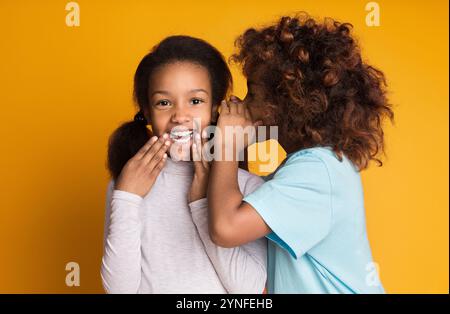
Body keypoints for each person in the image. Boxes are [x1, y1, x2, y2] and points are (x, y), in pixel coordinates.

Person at [208, 14, 394, 293]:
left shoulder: (318, 171)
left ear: (289, 103)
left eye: (253, 94)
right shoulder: (305, 169)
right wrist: (235, 148)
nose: (244, 104)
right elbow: (235, 197)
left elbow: (226, 227)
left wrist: (226, 144)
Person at [101, 35, 267, 294]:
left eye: (195, 101)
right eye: (164, 103)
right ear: (146, 111)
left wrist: (203, 204)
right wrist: (125, 198)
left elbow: (250, 289)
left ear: (215, 108)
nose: (179, 116)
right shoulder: (128, 185)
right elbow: (119, 290)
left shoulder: (249, 187)